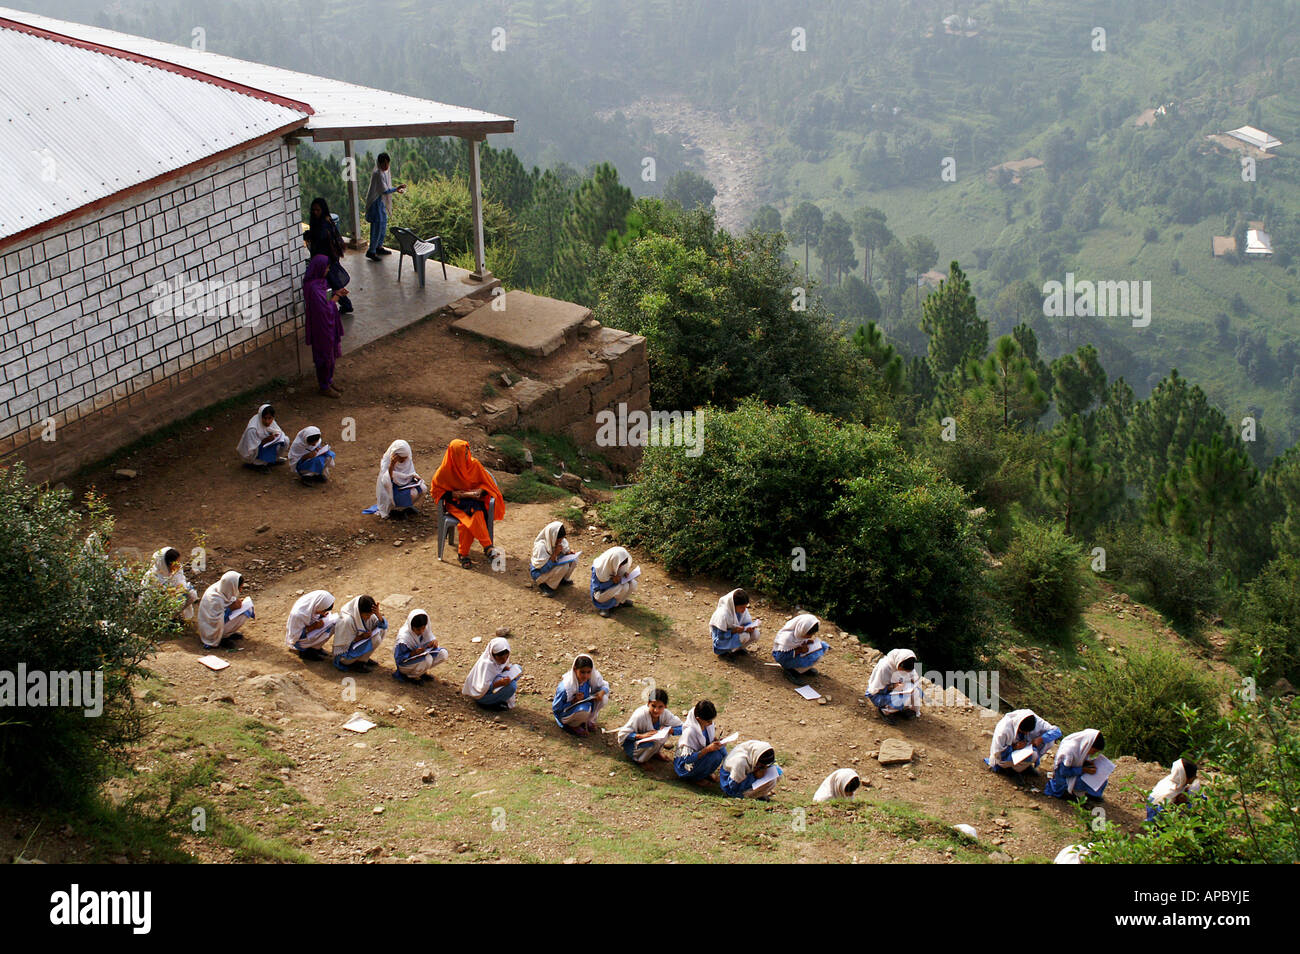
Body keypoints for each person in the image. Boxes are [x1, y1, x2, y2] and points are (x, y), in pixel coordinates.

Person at [430, 439, 504, 568]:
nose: (466, 456)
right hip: (455, 504)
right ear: (454, 455)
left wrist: (480, 491)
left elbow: (487, 485)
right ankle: (487, 547)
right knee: (473, 515)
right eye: (462, 454)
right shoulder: (445, 471)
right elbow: (436, 491)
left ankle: (463, 554)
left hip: (475, 501)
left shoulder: (474, 465)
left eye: (467, 453)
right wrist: (456, 494)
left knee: (470, 519)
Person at [303, 254, 346, 398]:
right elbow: (324, 308)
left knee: (331, 355)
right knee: (324, 356)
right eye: (326, 267)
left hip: (329, 324)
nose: (327, 270)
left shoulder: (321, 283)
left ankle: (329, 380)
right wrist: (337, 297)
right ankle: (324, 385)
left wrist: (335, 293)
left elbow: (326, 299)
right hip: (321, 328)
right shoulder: (314, 289)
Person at [305, 196, 351, 313]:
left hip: (327, 259)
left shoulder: (324, 224)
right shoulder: (322, 222)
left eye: (318, 210)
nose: (315, 212)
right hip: (325, 259)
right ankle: (340, 304)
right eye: (313, 210)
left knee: (332, 283)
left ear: (323, 210)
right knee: (332, 282)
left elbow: (321, 239)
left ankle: (340, 305)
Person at [985, 709, 1062, 775]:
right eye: (1023, 732)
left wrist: (1040, 739)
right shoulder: (1004, 730)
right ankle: (1012, 770)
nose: (1026, 734)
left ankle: (1023, 766)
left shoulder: (1034, 720)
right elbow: (998, 754)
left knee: (1049, 740)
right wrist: (1014, 747)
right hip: (1004, 757)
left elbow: (1057, 731)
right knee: (1033, 755)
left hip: (1023, 748)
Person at [616, 688, 683, 764]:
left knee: (665, 733)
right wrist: (641, 736)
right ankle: (640, 760)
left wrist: (671, 730)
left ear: (665, 706)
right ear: (648, 703)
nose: (656, 710)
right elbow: (623, 734)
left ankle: (655, 753)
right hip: (634, 745)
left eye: (660, 707)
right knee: (651, 743)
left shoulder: (666, 714)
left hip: (651, 743)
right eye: (653, 706)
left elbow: (683, 728)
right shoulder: (640, 715)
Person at [551, 654, 610, 735]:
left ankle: (587, 720)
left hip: (583, 707)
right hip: (566, 713)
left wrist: (601, 692)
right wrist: (573, 701)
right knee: (584, 709)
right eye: (582, 672)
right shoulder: (566, 687)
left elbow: (604, 685)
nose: (585, 676)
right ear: (575, 670)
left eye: (588, 672)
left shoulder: (590, 679)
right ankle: (573, 725)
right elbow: (556, 708)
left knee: (603, 698)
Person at [673, 700, 727, 785]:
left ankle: (705, 773)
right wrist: (707, 749)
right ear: (698, 719)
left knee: (719, 752)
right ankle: (694, 778)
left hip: (699, 758)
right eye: (708, 721)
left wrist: (718, 742)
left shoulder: (707, 726)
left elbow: (709, 739)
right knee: (715, 756)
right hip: (685, 766)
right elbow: (687, 759)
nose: (711, 723)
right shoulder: (690, 732)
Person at [1044, 729, 1108, 800]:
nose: (1093, 753)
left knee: (1102, 778)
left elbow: (1078, 761)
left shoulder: (1082, 747)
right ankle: (1071, 793)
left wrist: (1087, 763)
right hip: (1064, 780)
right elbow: (1063, 772)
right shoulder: (1069, 751)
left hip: (1075, 773)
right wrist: (1083, 770)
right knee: (1092, 781)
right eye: (1094, 751)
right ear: (1088, 744)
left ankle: (1091, 794)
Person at [196, 571, 254, 649]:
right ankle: (221, 638)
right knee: (245, 612)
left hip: (216, 624)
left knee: (247, 607)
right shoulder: (215, 599)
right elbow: (215, 622)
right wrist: (231, 608)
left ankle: (227, 633)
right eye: (239, 588)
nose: (240, 591)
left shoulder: (222, 588)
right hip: (211, 631)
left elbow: (228, 601)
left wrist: (236, 602)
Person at [364, 152, 405, 260]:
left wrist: (396, 190)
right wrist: (396, 189)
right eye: (384, 163)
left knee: (383, 224)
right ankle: (371, 251)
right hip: (375, 203)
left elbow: (386, 189)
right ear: (380, 163)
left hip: (380, 202)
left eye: (388, 163)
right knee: (377, 227)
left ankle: (378, 246)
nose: (386, 166)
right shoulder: (378, 173)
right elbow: (384, 190)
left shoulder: (383, 172)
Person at [332, 595, 387, 672]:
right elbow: (345, 644)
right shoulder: (347, 620)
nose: (369, 617)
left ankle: (363, 659)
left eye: (371, 615)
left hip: (356, 647)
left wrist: (378, 614)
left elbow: (383, 625)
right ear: (359, 612)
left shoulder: (365, 614)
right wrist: (362, 637)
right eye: (367, 615)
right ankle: (359, 663)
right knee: (375, 639)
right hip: (344, 656)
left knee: (382, 630)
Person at [462, 636, 519, 710]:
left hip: (494, 685)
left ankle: (499, 697)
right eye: (501, 658)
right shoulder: (487, 664)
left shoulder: (500, 661)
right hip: (482, 696)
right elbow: (482, 688)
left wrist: (503, 669)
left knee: (517, 668)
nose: (504, 661)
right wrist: (499, 683)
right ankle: (489, 704)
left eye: (507, 657)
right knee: (512, 686)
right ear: (493, 655)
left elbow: (496, 670)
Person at [866, 648, 923, 723]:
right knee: (902, 697)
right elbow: (876, 690)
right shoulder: (885, 668)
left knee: (917, 692)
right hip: (878, 695)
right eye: (902, 671)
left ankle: (900, 708)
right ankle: (885, 711)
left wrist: (911, 683)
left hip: (895, 689)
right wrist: (894, 686)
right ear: (898, 664)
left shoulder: (908, 664)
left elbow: (913, 678)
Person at [374, 439, 428, 518]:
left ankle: (407, 507)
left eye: (405, 458)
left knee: (423, 488)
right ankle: (397, 510)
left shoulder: (407, 460)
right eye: (400, 458)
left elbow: (410, 472)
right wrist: (392, 465)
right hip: (393, 490)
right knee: (413, 493)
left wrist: (416, 477)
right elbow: (386, 481)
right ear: (394, 455)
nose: (403, 460)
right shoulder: (387, 462)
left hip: (406, 485)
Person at [392, 609, 449, 682]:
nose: (422, 631)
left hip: (419, 660)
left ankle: (421, 672)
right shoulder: (404, 638)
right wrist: (413, 653)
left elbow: (427, 641)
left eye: (423, 628)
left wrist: (433, 643)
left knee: (443, 654)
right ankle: (410, 676)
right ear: (411, 627)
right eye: (418, 629)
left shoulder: (426, 631)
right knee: (428, 659)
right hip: (404, 665)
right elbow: (399, 659)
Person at [142, 547, 198, 620]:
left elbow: (181, 580)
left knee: (191, 594)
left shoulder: (176, 569)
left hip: (172, 598)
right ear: (165, 564)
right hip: (157, 606)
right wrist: (170, 593)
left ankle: (173, 617)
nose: (178, 565)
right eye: (175, 563)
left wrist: (181, 588)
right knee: (179, 600)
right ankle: (162, 620)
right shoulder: (151, 577)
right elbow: (151, 598)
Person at [772, 612, 829, 678]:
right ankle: (792, 671)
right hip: (785, 660)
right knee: (817, 657)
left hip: (796, 653)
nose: (810, 636)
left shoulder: (798, 633)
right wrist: (799, 651)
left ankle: (802, 669)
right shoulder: (787, 637)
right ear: (802, 629)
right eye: (809, 634)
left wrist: (807, 641)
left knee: (823, 646)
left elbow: (799, 641)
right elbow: (780, 658)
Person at [285, 590, 337, 661]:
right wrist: (314, 626)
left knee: (335, 621)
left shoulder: (311, 604)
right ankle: (308, 651)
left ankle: (315, 648)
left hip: (308, 633)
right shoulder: (299, 615)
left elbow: (313, 616)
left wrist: (321, 615)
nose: (324, 612)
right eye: (323, 610)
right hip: (298, 641)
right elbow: (296, 636)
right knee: (332, 625)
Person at [530, 521, 578, 595]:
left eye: (562, 539)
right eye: (558, 540)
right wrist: (554, 554)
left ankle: (561, 580)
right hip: (540, 574)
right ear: (553, 536)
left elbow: (564, 553)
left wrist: (568, 553)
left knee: (574, 560)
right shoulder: (541, 547)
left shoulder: (560, 541)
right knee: (564, 566)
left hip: (553, 568)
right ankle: (547, 586)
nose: (560, 542)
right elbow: (542, 569)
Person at [1146, 757, 1200, 822]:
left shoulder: (1173, 780)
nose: (1195, 778)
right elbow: (1164, 811)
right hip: (1158, 815)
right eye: (1193, 776)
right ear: (1185, 777)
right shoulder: (1169, 792)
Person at [709, 588, 760, 657]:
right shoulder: (723, 614)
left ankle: (738, 649)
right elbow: (720, 636)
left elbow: (747, 623)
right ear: (733, 605)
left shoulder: (743, 611)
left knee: (755, 633)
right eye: (742, 607)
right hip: (721, 640)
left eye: (745, 607)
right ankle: (725, 652)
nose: (744, 610)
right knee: (744, 636)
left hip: (736, 635)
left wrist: (749, 628)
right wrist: (733, 631)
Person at [591, 546, 639, 617]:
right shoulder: (599, 568)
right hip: (600, 594)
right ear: (614, 560)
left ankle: (620, 602)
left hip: (612, 589)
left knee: (633, 583)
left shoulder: (616, 562)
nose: (619, 567)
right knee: (624, 587)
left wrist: (624, 574)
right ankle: (605, 607)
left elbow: (620, 572)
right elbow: (597, 588)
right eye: (619, 565)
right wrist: (612, 581)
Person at [236, 404, 288, 468]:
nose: (267, 421)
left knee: (285, 440)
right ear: (261, 416)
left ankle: (275, 458)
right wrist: (266, 440)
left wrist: (274, 435)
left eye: (270, 418)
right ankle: (258, 464)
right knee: (259, 453)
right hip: (255, 452)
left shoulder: (272, 422)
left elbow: (277, 431)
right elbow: (252, 449)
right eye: (265, 418)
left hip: (267, 444)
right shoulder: (253, 429)